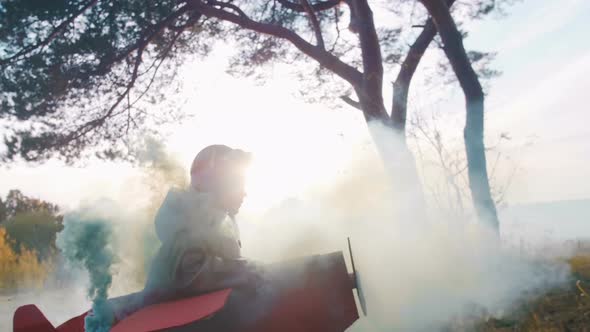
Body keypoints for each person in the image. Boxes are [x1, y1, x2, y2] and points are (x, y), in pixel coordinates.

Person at [109, 144, 258, 321]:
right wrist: (252, 273)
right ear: (217, 184)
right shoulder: (186, 231)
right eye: (237, 184)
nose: (244, 193)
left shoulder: (214, 224)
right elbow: (192, 278)